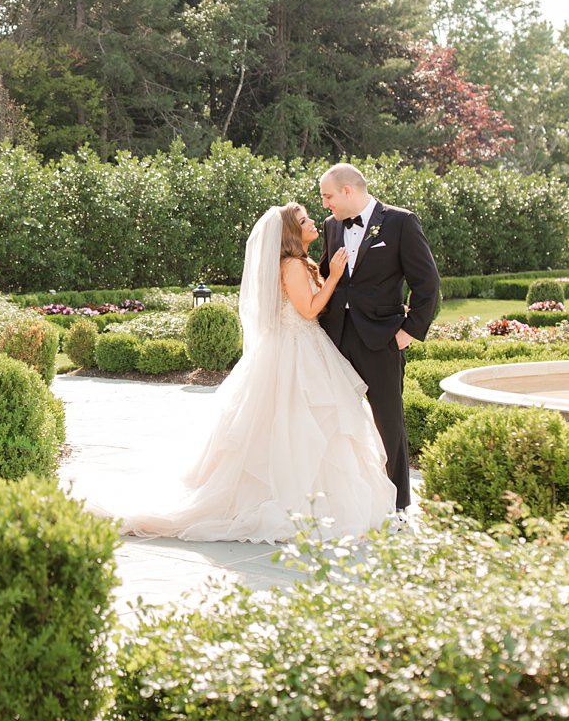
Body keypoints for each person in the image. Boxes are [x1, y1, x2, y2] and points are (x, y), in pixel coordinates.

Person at [81, 202, 396, 543]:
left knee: (302, 426)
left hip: (301, 349)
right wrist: (334, 277)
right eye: (305, 221)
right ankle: (294, 500)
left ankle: (314, 498)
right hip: (296, 351)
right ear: (292, 233)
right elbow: (307, 311)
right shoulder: (290, 265)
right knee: (298, 425)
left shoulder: (297, 262)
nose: (312, 224)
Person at [317, 163, 440, 514]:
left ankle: (398, 503)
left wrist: (408, 333)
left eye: (328, 196)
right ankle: (346, 500)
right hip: (337, 339)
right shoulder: (330, 226)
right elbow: (329, 275)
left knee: (388, 422)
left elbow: (427, 284)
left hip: (383, 340)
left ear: (347, 191)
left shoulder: (401, 222)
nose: (325, 204)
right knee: (336, 422)